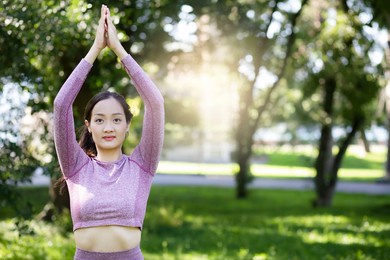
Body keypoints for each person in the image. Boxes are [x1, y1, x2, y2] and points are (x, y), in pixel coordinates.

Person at [53, 4, 164, 260]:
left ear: (126, 125)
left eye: (116, 119)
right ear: (89, 126)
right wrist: (95, 49)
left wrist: (118, 50)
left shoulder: (142, 165)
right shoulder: (75, 167)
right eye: (100, 120)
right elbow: (61, 106)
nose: (109, 127)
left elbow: (155, 103)